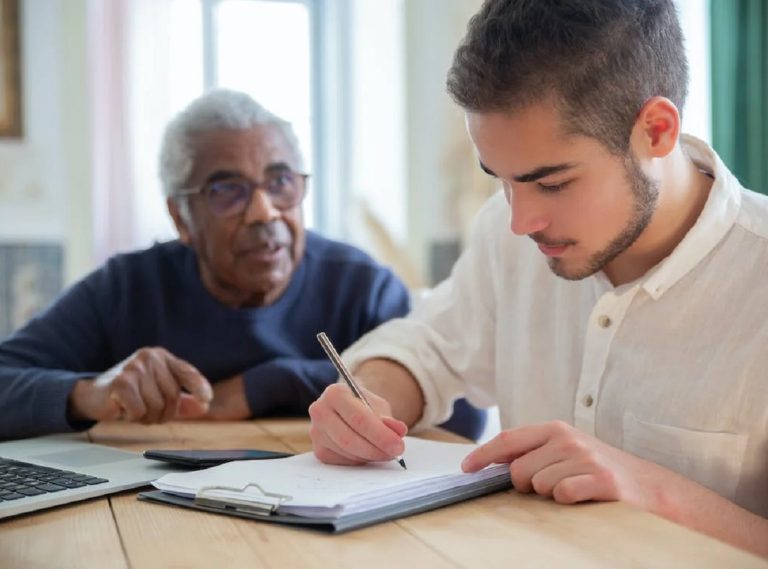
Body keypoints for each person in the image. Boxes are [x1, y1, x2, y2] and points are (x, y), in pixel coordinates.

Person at [307, 0, 768, 557]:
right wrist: (366, 401)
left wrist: (653, 491)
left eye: (551, 184)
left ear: (656, 130)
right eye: (499, 179)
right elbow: (427, 347)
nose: (522, 220)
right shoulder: (507, 233)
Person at [0, 89, 484, 441]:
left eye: (280, 182)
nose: (264, 212)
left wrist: (269, 383)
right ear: (180, 217)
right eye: (228, 191)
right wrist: (87, 393)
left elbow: (460, 415)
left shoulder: (360, 285)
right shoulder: (127, 288)